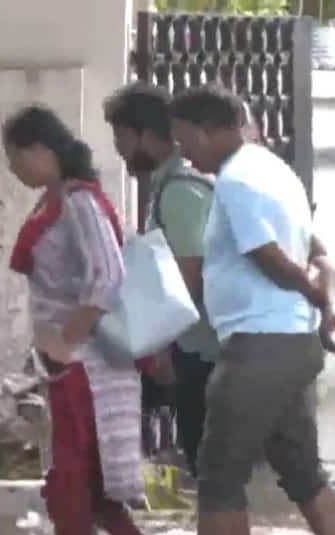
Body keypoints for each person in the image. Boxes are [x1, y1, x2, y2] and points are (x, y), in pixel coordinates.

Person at [167, 84, 335, 535]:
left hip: (259, 345)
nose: (185, 155)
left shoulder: (236, 180)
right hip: (290, 341)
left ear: (211, 131)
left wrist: (315, 296)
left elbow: (268, 257)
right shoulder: (276, 170)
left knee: (218, 472)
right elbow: (321, 255)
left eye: (186, 141)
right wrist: (324, 306)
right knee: (300, 467)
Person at [3, 105, 156, 535]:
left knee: (73, 480)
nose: (12, 168)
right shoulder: (57, 199)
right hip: (67, 365)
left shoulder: (79, 203)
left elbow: (108, 278)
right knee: (91, 482)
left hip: (87, 368)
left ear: (41, 151)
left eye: (15, 157)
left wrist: (67, 343)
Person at [104, 82, 216, 482]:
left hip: (200, 352)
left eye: (121, 137)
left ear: (146, 136)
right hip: (194, 348)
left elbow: (190, 275)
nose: (119, 149)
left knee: (211, 472)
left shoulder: (181, 191)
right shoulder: (169, 188)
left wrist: (161, 350)